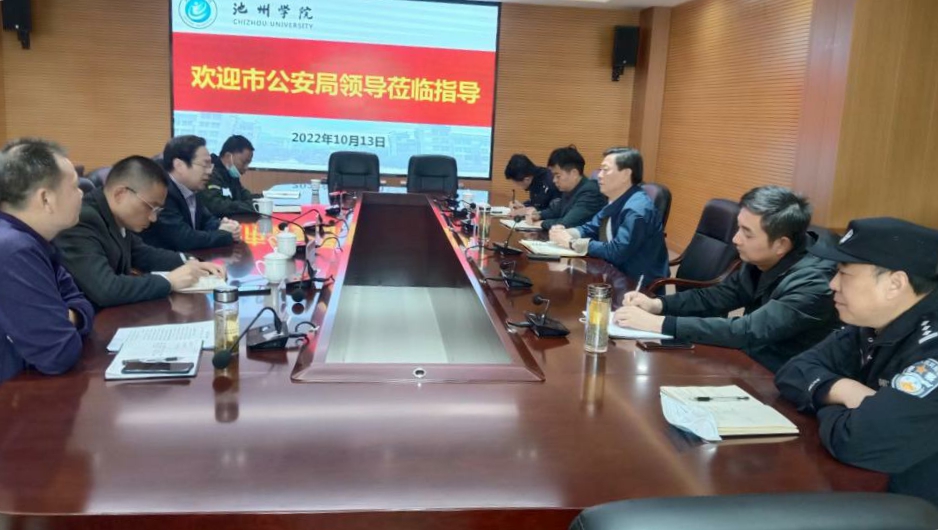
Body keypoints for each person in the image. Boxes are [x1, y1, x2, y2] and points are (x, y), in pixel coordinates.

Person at [775, 217, 938, 506]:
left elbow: (857, 441)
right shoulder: (873, 323)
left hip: (914, 507)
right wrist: (844, 390)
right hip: (872, 488)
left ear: (895, 284)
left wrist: (831, 406)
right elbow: (793, 370)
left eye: (844, 273)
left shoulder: (931, 346)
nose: (832, 284)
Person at [614, 186, 840, 373]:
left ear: (781, 244)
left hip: (785, 376)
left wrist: (658, 323)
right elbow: (721, 295)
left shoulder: (814, 283)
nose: (735, 239)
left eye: (747, 233)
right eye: (738, 228)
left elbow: (748, 330)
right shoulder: (762, 256)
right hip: (751, 356)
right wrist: (657, 304)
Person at [55, 155, 225, 309]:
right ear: (120, 194)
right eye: (151, 207)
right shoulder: (83, 220)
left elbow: (144, 254)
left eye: (157, 210)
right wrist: (169, 281)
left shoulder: (114, 215)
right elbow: (106, 289)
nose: (153, 218)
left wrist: (191, 262)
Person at [0, 138, 94, 383]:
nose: (82, 194)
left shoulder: (35, 240)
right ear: (45, 199)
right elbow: (58, 353)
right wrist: (63, 316)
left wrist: (65, 316)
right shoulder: (13, 249)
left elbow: (82, 304)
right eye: (74, 186)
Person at [549, 147, 669, 286]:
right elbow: (591, 227)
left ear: (625, 174)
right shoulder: (616, 200)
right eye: (600, 170)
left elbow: (617, 251)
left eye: (605, 170)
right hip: (613, 274)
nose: (599, 175)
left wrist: (572, 243)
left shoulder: (637, 210)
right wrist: (565, 233)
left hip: (637, 286)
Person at [140, 135, 241, 251]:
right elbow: (183, 239)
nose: (210, 171)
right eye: (205, 165)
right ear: (179, 166)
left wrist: (223, 226)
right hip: (165, 259)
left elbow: (206, 220)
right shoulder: (162, 192)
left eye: (210, 165)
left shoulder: (192, 187)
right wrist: (225, 235)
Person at [508, 146, 606, 231]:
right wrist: (538, 214)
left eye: (557, 176)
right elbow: (556, 210)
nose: (554, 180)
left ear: (574, 173)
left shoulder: (591, 192)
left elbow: (566, 224)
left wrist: (541, 223)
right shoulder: (570, 189)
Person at [200, 135, 260, 217]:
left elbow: (243, 195)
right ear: (228, 156)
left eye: (248, 163)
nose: (246, 167)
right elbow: (216, 206)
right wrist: (253, 206)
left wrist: (262, 200)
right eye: (244, 162)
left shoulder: (231, 173)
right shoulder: (211, 174)